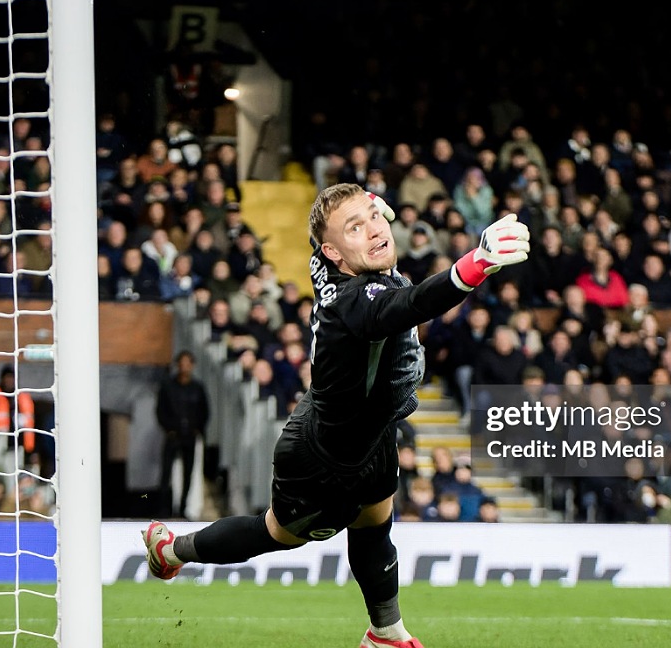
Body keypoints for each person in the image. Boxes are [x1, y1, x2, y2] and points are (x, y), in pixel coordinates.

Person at [143, 184, 530, 648]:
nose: (374, 229)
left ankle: (385, 632)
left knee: (374, 522)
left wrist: (361, 205)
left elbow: (328, 239)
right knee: (277, 533)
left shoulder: (328, 262)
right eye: (355, 228)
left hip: (372, 433)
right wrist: (477, 263)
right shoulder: (351, 303)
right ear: (335, 254)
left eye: (373, 218)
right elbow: (413, 304)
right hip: (324, 457)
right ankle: (172, 551)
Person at [155, 350, 210, 519]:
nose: (185, 367)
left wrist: (197, 429)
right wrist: (169, 428)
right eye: (182, 363)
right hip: (173, 435)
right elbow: (160, 410)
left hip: (189, 436)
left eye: (188, 363)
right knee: (166, 473)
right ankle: (164, 508)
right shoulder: (167, 386)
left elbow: (205, 411)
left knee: (188, 473)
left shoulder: (198, 388)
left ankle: (183, 507)